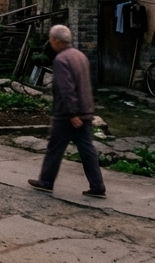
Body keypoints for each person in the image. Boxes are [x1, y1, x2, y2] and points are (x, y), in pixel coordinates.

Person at [29, 24, 106, 198]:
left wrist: (72, 113)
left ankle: (46, 181)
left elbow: (67, 89)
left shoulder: (61, 60)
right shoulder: (80, 56)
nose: (50, 42)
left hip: (67, 114)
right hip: (85, 110)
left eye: (51, 39)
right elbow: (85, 85)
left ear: (56, 40)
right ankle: (97, 185)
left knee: (55, 148)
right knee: (87, 149)